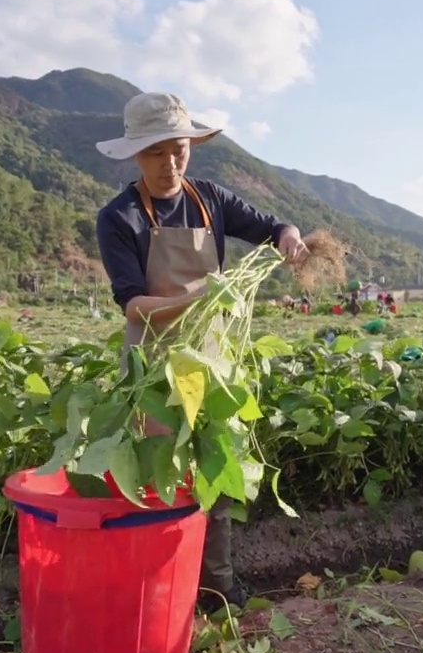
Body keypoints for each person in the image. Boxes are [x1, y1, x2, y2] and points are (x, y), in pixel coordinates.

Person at [95, 92, 309, 611]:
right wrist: (194, 297)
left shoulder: (209, 197)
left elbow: (271, 227)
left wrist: (290, 236)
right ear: (134, 155)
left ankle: (218, 589)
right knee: (160, 480)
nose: (169, 164)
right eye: (155, 153)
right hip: (154, 368)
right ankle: (158, 592)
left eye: (179, 149)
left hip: (210, 362)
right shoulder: (119, 218)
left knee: (211, 474)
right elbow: (133, 306)